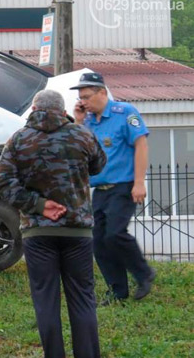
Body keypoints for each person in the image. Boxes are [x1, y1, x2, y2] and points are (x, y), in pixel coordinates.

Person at [0, 89, 106, 358]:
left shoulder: (19, 140)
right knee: (82, 299)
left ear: (34, 109)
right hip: (77, 231)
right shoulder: (82, 135)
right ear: (62, 110)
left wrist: (38, 205)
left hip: (38, 232)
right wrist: (77, 125)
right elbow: (99, 165)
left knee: (46, 301)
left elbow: (2, 183)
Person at [72, 72, 156, 304]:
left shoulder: (125, 113)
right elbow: (77, 148)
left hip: (124, 185)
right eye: (81, 98)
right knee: (99, 240)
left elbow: (141, 145)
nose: (84, 102)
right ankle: (117, 291)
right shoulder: (88, 121)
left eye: (87, 97)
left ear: (102, 92)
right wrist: (78, 121)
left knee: (115, 233)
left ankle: (144, 273)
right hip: (101, 189)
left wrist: (139, 182)